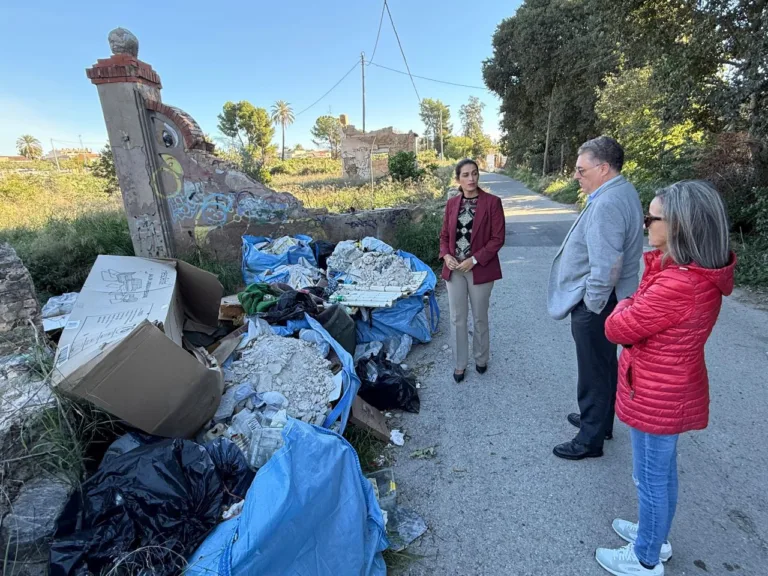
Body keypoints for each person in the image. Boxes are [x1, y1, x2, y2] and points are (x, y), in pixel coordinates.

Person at [595, 181, 736, 576]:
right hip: (667, 386)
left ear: (678, 226)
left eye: (651, 218)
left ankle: (646, 557)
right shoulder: (683, 272)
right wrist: (638, 297)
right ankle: (653, 535)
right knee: (660, 473)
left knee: (650, 478)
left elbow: (617, 328)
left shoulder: (679, 283)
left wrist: (625, 302)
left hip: (657, 392)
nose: (645, 225)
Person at [548, 136, 644, 460]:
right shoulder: (622, 191)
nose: (577, 175)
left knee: (592, 370)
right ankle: (600, 422)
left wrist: (591, 304)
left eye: (581, 169)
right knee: (603, 365)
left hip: (599, 303)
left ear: (603, 168)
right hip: (613, 300)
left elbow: (607, 265)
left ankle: (589, 439)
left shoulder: (607, 204)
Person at [439, 159, 506, 383]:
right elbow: (444, 236)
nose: (471, 179)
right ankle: (460, 364)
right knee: (457, 317)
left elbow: (498, 238)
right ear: (458, 179)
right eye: (466, 175)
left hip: (480, 269)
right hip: (454, 269)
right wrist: (446, 255)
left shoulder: (492, 203)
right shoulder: (451, 204)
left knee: (479, 317)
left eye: (475, 173)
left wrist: (474, 259)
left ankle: (481, 357)